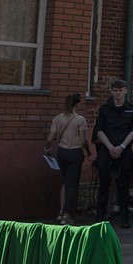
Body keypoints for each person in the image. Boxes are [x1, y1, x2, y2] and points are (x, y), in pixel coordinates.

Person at [93, 78, 133, 228]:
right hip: (106, 150)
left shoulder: (132, 109)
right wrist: (110, 147)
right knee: (104, 184)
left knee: (123, 185)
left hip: (124, 150)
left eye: (120, 90)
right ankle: (100, 218)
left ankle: (124, 219)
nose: (118, 93)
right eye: (115, 90)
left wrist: (122, 147)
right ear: (111, 91)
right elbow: (99, 130)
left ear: (125, 91)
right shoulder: (105, 109)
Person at [45, 93, 92, 225]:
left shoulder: (57, 118)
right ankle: (66, 215)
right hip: (75, 152)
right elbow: (83, 141)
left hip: (61, 152)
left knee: (65, 182)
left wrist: (47, 149)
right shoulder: (80, 120)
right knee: (72, 185)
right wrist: (88, 152)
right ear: (77, 104)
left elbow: (50, 138)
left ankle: (61, 211)